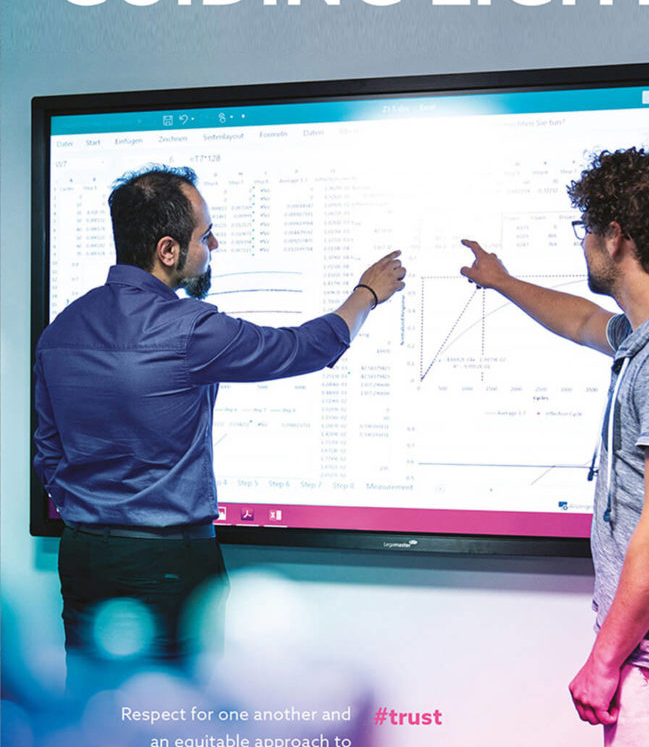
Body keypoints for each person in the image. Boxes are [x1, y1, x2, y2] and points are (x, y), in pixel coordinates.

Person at [34, 165, 406, 683]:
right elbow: (302, 348)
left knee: (90, 709)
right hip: (169, 561)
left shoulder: (60, 329)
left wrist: (92, 507)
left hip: (84, 554)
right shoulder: (189, 329)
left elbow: (48, 452)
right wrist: (366, 294)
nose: (215, 244)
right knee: (179, 721)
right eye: (204, 235)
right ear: (168, 250)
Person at [460, 146, 649, 747]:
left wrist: (604, 661)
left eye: (586, 228)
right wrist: (501, 280)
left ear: (616, 237)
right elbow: (581, 321)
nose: (583, 242)